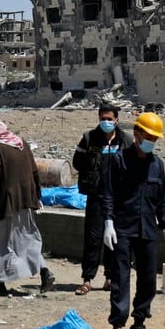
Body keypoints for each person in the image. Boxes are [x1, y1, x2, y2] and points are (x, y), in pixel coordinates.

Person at [100, 111, 165, 329]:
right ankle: (118, 327)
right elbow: (108, 194)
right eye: (148, 136)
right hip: (123, 227)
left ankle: (139, 323)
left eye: (155, 138)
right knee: (120, 278)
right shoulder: (118, 160)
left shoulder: (157, 165)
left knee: (149, 279)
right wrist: (108, 222)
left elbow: (161, 199)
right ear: (137, 133)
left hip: (147, 230)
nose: (151, 141)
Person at [0, 116, 55, 296]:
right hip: (25, 201)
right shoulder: (22, 144)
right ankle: (44, 271)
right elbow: (34, 171)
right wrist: (37, 196)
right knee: (27, 239)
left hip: (4, 205)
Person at [71, 102, 131, 295]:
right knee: (93, 237)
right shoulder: (89, 139)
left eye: (109, 119)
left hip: (119, 198)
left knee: (115, 238)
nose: (106, 122)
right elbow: (77, 162)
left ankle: (110, 278)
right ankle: (87, 279)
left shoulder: (125, 141)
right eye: (102, 119)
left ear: (116, 120)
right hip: (96, 196)